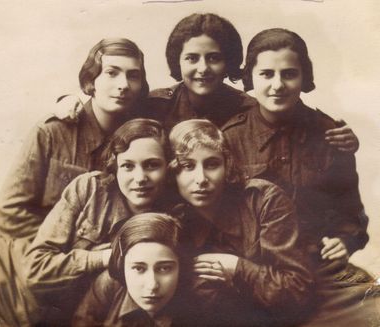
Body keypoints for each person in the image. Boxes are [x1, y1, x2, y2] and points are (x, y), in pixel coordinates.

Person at [0, 38, 149, 327]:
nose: (123, 84)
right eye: (111, 72)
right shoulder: (53, 133)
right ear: (90, 80)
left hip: (103, 277)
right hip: (42, 269)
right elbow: (11, 213)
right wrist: (61, 255)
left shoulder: (141, 138)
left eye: (133, 75)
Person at [222, 28, 378, 326]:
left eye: (289, 74)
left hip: (318, 270)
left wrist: (345, 240)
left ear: (304, 78)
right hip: (256, 271)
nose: (277, 85)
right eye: (266, 74)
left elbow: (350, 212)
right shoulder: (231, 137)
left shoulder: (331, 133)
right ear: (250, 78)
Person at [20, 118, 169, 325]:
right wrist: (104, 258)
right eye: (127, 166)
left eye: (152, 165)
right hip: (57, 311)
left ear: (168, 167)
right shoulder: (89, 190)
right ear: (114, 167)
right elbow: (35, 271)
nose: (140, 177)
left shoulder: (173, 215)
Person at [168, 119, 314, 326]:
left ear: (227, 165)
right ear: (173, 172)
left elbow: (297, 289)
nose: (201, 178)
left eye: (212, 164)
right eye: (187, 166)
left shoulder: (262, 198)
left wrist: (237, 267)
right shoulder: (174, 219)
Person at [145, 12, 359, 153]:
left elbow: (292, 127)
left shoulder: (250, 107)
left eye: (214, 58)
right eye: (192, 58)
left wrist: (338, 135)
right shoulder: (155, 106)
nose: (203, 68)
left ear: (228, 61)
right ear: (177, 61)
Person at [73, 212, 193, 327]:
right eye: (138, 268)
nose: (152, 286)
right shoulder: (108, 285)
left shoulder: (200, 297)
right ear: (121, 266)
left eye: (164, 268)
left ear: (181, 268)